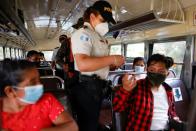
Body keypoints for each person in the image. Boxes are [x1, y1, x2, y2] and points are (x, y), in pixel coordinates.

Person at [71, 1, 124, 131]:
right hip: (87, 87)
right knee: (88, 125)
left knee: (93, 122)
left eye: (107, 21)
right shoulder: (83, 34)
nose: (105, 24)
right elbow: (82, 64)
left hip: (97, 87)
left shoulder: (98, 36)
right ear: (92, 16)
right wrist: (112, 58)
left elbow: (97, 62)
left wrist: (109, 66)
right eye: (103, 19)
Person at [0, 60, 78, 131]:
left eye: (39, 80)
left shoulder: (47, 101)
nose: (40, 85)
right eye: (33, 83)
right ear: (10, 91)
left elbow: (72, 127)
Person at [113, 54, 180, 131]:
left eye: (161, 71)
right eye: (152, 70)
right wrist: (125, 90)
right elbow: (117, 107)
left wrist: (175, 120)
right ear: (147, 70)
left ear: (167, 74)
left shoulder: (168, 91)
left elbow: (171, 112)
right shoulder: (137, 86)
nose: (156, 74)